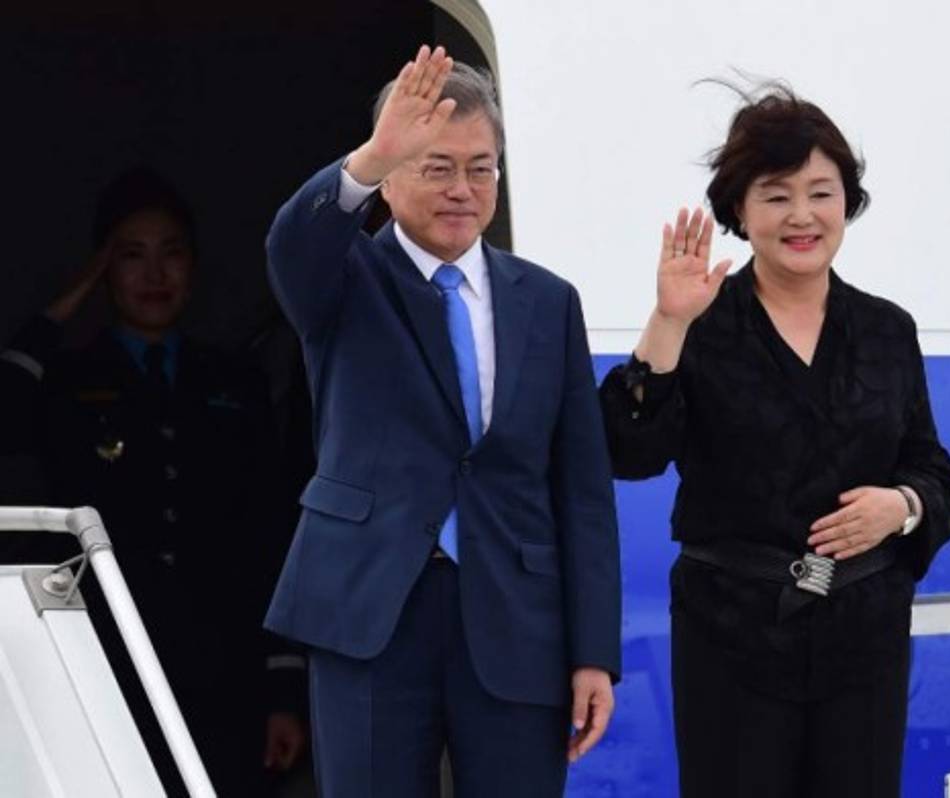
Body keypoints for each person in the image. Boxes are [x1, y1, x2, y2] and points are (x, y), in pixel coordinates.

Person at [262, 45, 621, 798]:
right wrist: (368, 156)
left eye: (481, 167)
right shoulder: (345, 278)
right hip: (373, 610)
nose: (463, 188)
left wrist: (594, 652)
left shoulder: (548, 301)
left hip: (515, 616)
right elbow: (291, 245)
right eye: (436, 165)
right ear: (389, 180)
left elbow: (581, 490)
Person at [598, 85, 950, 797]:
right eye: (776, 195)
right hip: (729, 636)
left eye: (821, 193)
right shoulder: (701, 324)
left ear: (846, 204)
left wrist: (903, 506)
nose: (802, 216)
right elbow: (628, 451)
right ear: (739, 209)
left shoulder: (888, 330)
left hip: (863, 637)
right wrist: (667, 322)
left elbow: (935, 471)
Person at [0, 167, 308, 796]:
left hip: (224, 659)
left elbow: (268, 527)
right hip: (106, 649)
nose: (154, 274)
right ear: (103, 268)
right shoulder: (68, 379)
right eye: (130, 256)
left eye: (171, 253)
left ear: (194, 265)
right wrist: (71, 295)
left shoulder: (232, 379)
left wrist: (283, 684)